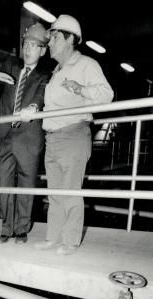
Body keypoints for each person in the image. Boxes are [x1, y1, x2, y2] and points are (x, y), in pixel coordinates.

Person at [34, 15, 114, 255]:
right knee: (55, 193)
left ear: (70, 39)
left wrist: (82, 89)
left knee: (69, 192)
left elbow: (106, 94)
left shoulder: (86, 65)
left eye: (54, 38)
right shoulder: (56, 71)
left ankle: (69, 241)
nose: (49, 43)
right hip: (52, 138)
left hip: (73, 135)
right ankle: (53, 237)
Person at [0, 22, 51, 244]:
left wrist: (33, 108)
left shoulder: (45, 75)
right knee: (4, 185)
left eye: (34, 45)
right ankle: (6, 227)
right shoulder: (11, 66)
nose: (28, 49)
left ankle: (21, 229)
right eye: (26, 44)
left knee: (26, 185)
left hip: (29, 138)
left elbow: (41, 95)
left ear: (43, 50)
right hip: (4, 136)